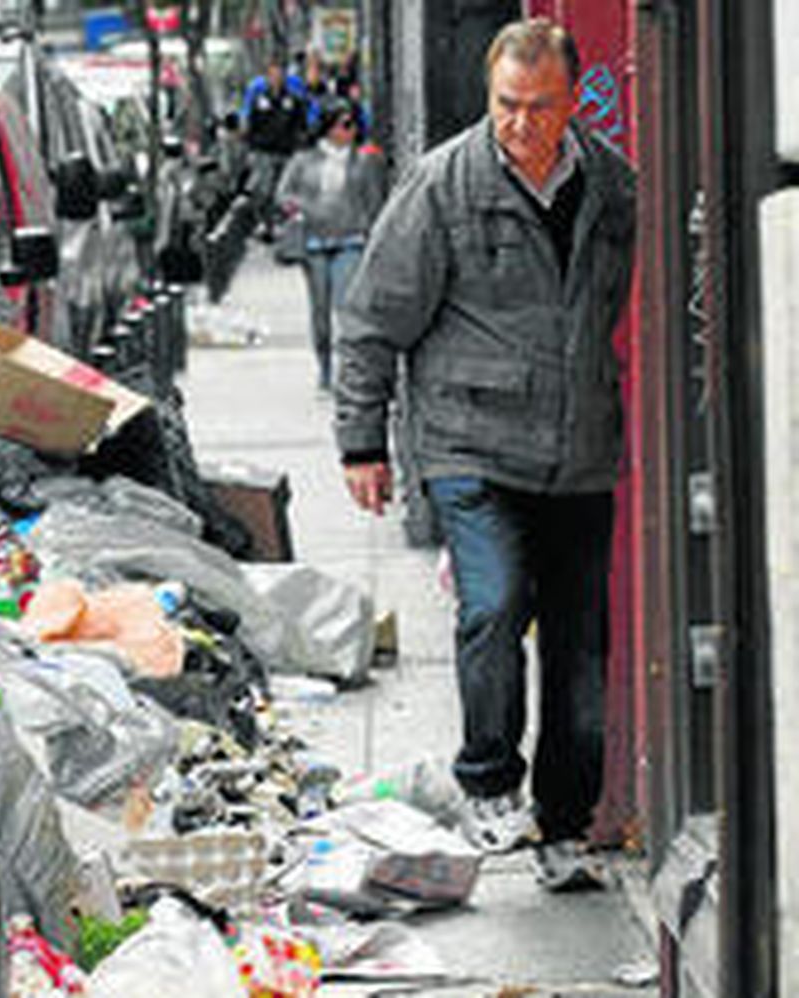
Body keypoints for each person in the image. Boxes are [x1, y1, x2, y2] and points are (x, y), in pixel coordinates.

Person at [334, 18, 636, 891]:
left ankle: (564, 826)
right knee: (495, 604)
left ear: (571, 101)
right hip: (468, 444)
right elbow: (371, 321)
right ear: (488, 95)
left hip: (579, 453)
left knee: (581, 652)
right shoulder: (442, 186)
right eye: (507, 104)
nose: (521, 123)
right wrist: (363, 441)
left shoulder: (614, 189)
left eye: (539, 107)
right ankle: (490, 779)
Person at [274, 97, 385, 392]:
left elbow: (376, 203)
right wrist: (306, 207)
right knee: (320, 311)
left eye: (352, 124)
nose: (348, 131)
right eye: (342, 124)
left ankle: (347, 370)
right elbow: (283, 194)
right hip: (314, 243)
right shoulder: (304, 161)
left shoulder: (365, 161)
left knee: (346, 308)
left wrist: (375, 239)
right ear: (328, 127)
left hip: (351, 241)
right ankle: (324, 366)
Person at [239, 57, 308, 240]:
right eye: (272, 75)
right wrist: (251, 147)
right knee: (264, 190)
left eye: (279, 74)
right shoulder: (259, 100)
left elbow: (301, 125)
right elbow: (250, 124)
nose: (276, 78)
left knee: (284, 191)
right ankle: (265, 223)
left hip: (286, 151)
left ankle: (283, 225)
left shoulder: (293, 100)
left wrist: (299, 145)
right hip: (264, 151)